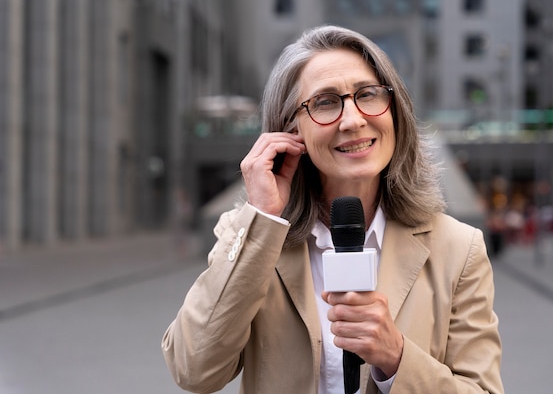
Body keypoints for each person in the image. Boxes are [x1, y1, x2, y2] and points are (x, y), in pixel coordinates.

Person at [161, 25, 504, 394]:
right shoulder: (251, 234)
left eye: (368, 94)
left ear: (395, 110)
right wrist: (261, 217)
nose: (353, 120)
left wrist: (396, 357)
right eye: (325, 102)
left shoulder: (458, 248)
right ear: (291, 129)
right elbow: (193, 369)